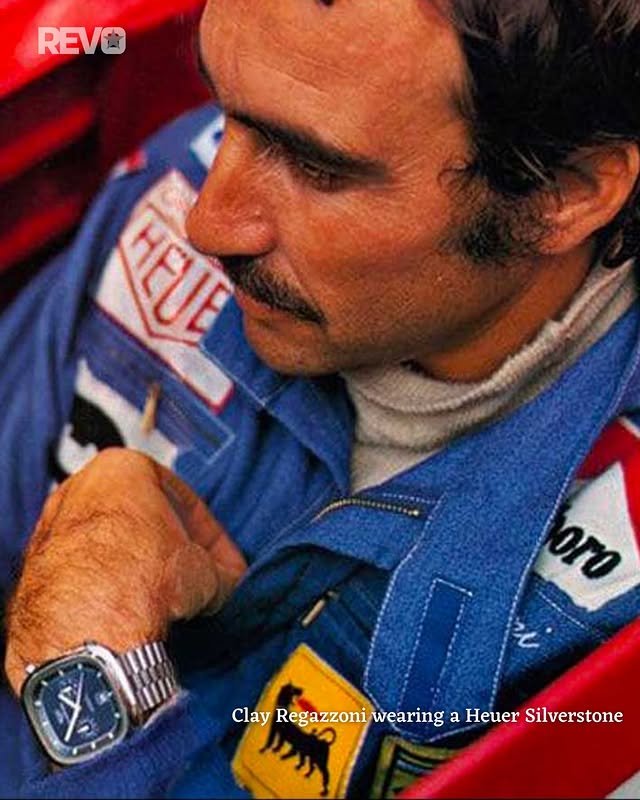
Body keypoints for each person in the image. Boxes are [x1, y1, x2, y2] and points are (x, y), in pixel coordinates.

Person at [2, 0, 640, 797]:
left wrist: (87, 680)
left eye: (317, 168)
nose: (207, 221)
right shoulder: (173, 194)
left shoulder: (608, 598)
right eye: (225, 109)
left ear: (565, 194)